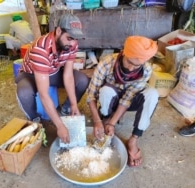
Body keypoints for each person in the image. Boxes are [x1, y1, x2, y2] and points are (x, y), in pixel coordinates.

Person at [15, 13, 90, 144]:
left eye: (75, 39)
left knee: (82, 80)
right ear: (59, 31)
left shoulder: (71, 44)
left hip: (52, 71)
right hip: (31, 74)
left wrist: (73, 103)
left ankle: (66, 110)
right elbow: (43, 94)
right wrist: (60, 126)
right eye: (69, 38)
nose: (72, 43)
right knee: (24, 92)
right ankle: (36, 121)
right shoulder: (41, 49)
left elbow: (68, 75)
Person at [86, 36, 159, 167]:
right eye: (129, 62)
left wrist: (113, 124)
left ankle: (133, 140)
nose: (131, 68)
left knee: (152, 94)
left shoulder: (146, 70)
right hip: (110, 99)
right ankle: (105, 119)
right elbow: (91, 95)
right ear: (124, 53)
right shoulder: (107, 63)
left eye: (136, 65)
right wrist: (97, 121)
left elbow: (127, 98)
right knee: (106, 90)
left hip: (130, 102)